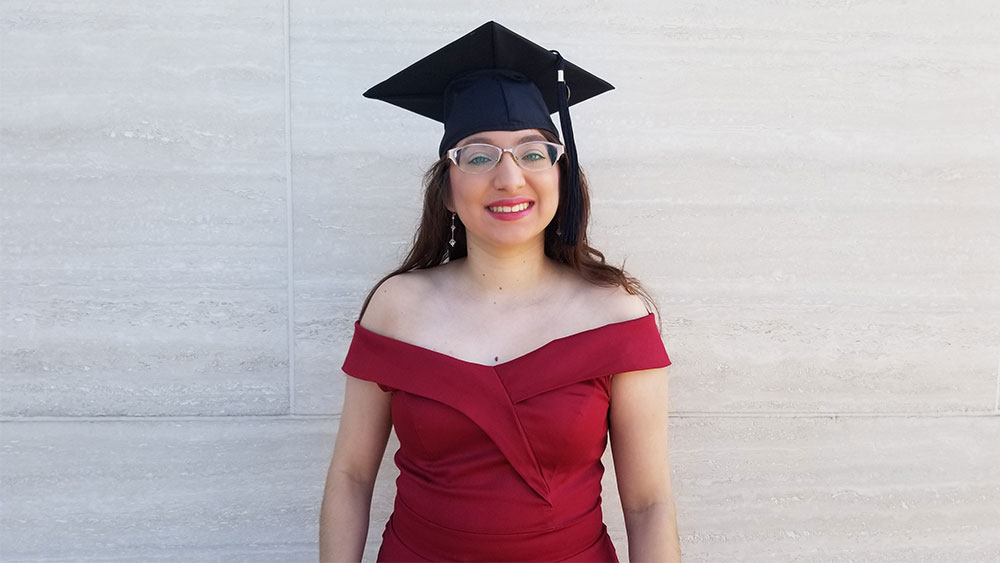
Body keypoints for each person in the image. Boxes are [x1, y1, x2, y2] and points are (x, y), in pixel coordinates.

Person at [319, 21, 680, 562]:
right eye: (479, 156)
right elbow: (351, 475)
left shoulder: (615, 316)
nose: (510, 179)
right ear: (446, 190)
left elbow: (649, 504)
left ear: (562, 176)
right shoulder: (397, 307)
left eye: (533, 154)